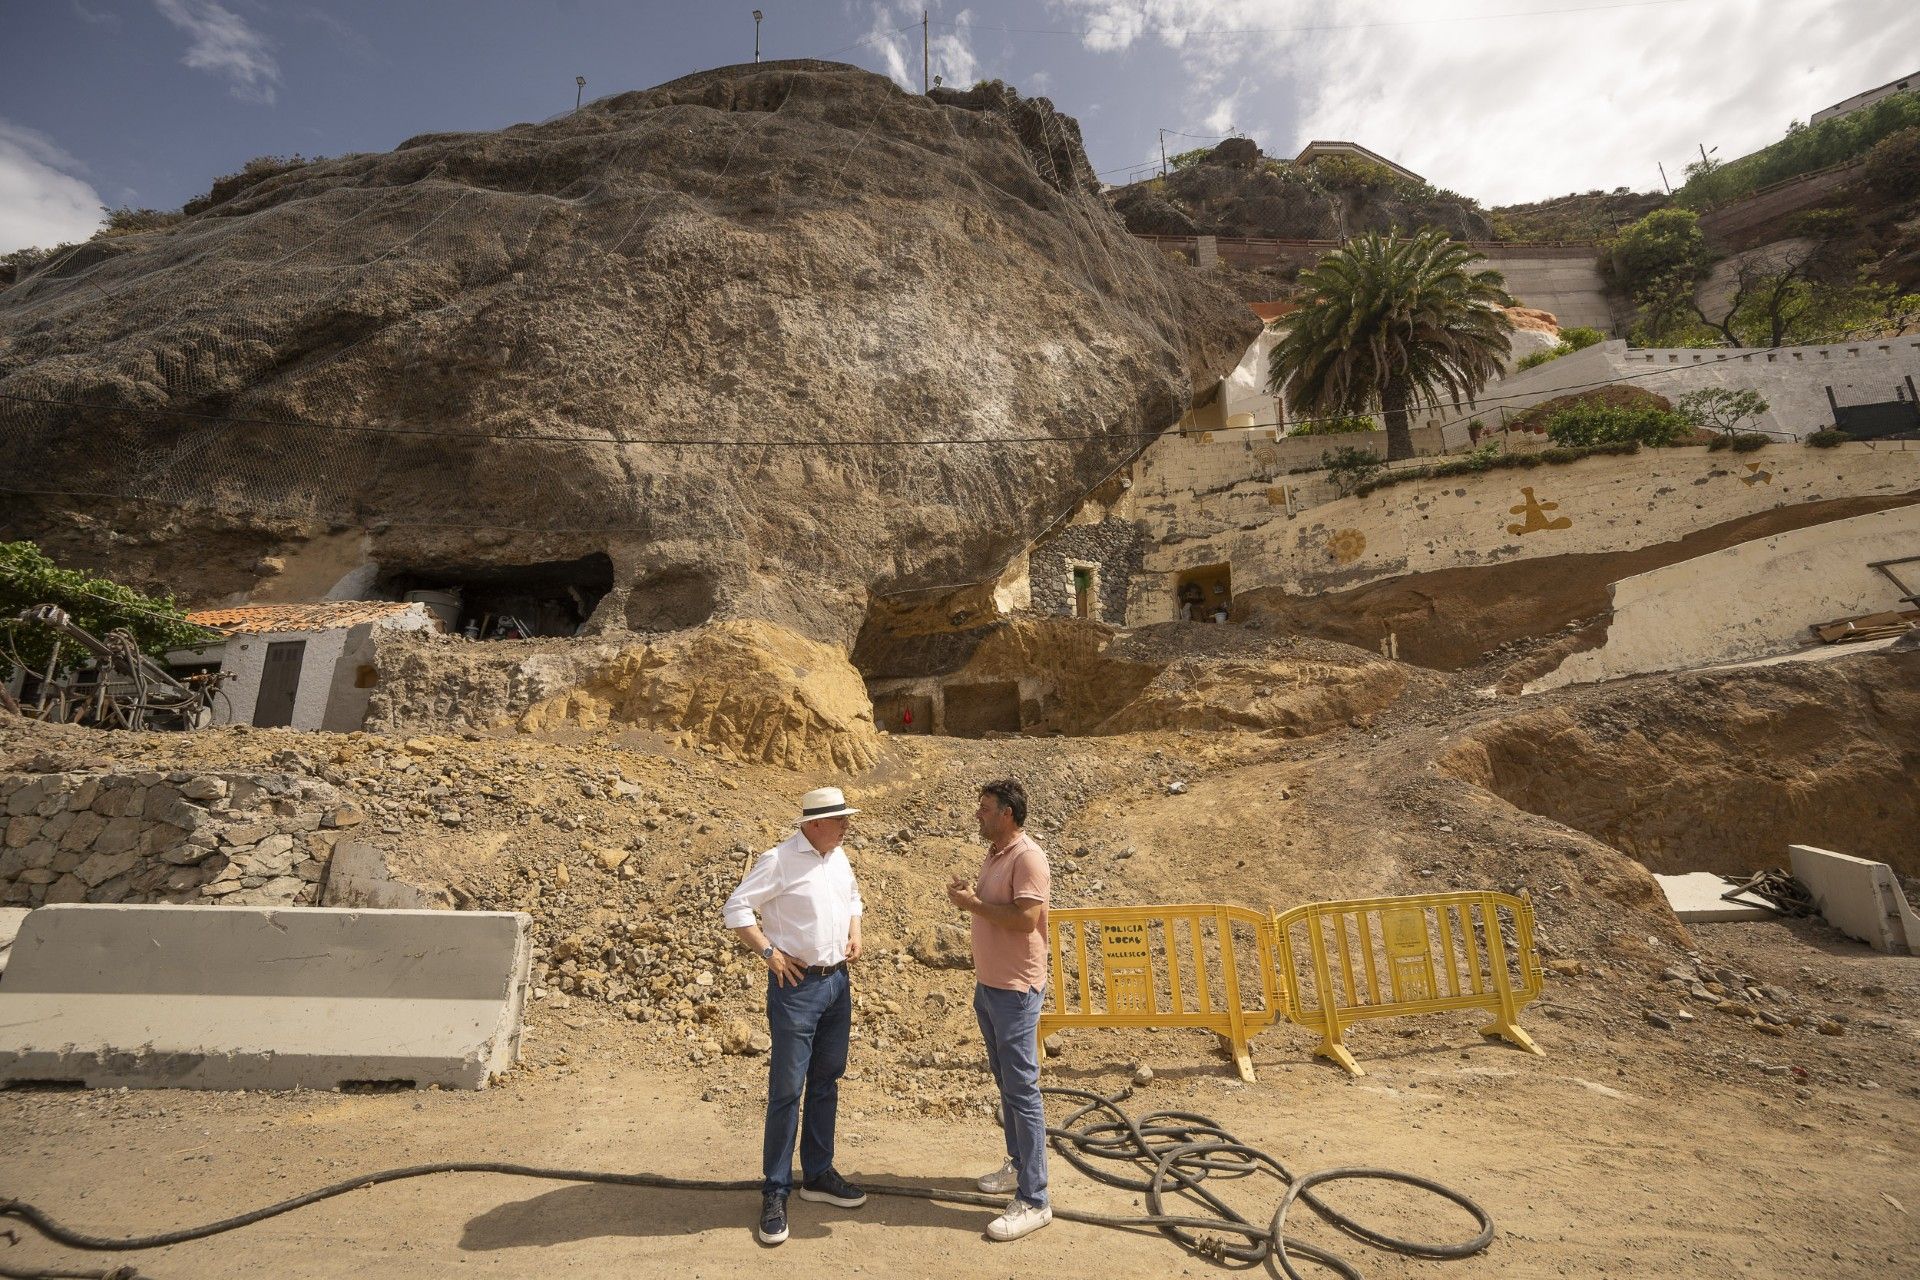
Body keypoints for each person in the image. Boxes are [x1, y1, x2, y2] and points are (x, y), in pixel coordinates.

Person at [722, 786, 868, 1246]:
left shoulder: (837, 857)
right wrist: (769, 953)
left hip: (837, 983)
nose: (847, 826)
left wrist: (855, 931)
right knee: (787, 1090)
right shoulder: (779, 860)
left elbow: (853, 897)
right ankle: (775, 1190)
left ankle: (818, 1175)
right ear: (815, 823)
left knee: (827, 1080)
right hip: (797, 988)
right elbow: (736, 908)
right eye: (840, 819)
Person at [946, 778, 1053, 1242]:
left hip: (1015, 991)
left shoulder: (1028, 857)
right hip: (991, 987)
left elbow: (1027, 919)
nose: (978, 814)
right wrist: (971, 897)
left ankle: (1035, 1199)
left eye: (986, 808)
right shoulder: (995, 855)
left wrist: (972, 904)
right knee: (1006, 1083)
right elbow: (997, 907)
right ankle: (1018, 1165)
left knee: (1022, 1090)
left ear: (1007, 813)